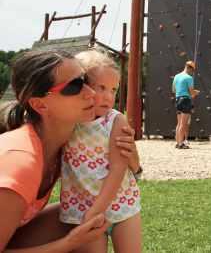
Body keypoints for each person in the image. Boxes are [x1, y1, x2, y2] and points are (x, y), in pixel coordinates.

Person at [0, 50, 140, 252]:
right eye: (74, 86)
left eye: (85, 80)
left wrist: (133, 161)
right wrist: (68, 244)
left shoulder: (62, 142)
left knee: (76, 210)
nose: (92, 93)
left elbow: (118, 167)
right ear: (40, 105)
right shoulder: (21, 162)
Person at [59, 50, 142, 253]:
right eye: (101, 88)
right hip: (80, 209)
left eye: (113, 90)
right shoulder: (68, 122)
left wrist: (94, 213)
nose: (108, 96)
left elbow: (117, 169)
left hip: (122, 207)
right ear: (82, 87)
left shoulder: (115, 120)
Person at [172, 60, 199, 149]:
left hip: (177, 99)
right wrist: (196, 93)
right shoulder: (189, 78)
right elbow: (191, 92)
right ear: (189, 68)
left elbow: (174, 90)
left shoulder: (176, 76)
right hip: (185, 100)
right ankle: (181, 144)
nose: (192, 72)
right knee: (184, 124)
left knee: (179, 123)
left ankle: (177, 142)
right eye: (193, 70)